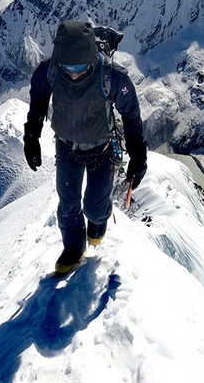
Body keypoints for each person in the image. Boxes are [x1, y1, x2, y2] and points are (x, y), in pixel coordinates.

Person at [23, 19, 147, 275]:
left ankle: (99, 220)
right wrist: (31, 136)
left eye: (80, 68)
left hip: (102, 148)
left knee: (94, 207)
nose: (74, 74)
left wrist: (138, 155)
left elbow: (131, 115)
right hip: (67, 147)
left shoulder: (111, 76)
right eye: (68, 68)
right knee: (67, 203)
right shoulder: (51, 71)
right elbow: (38, 100)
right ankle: (73, 247)